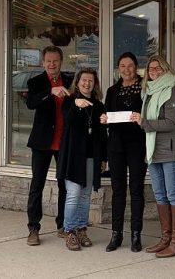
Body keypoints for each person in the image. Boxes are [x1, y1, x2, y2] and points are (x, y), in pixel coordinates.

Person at [131, 55, 175, 259]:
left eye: (158, 68)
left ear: (166, 70)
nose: (154, 72)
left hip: (171, 151)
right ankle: (165, 239)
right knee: (160, 195)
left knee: (173, 195)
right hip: (153, 151)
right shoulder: (148, 93)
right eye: (150, 69)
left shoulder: (174, 91)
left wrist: (144, 122)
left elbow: (171, 123)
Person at [25, 46, 72, 246]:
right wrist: (50, 92)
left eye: (56, 61)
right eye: (48, 61)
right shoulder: (35, 82)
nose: (52, 65)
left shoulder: (71, 80)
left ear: (61, 62)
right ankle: (33, 228)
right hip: (42, 142)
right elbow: (31, 103)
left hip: (64, 141)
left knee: (64, 185)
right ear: (43, 63)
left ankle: (62, 224)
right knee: (37, 185)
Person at [99, 52, 146, 253]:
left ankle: (136, 235)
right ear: (118, 68)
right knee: (118, 191)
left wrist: (141, 117)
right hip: (116, 146)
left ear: (136, 67)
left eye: (130, 66)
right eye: (122, 66)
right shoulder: (112, 90)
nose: (126, 69)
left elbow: (150, 114)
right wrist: (104, 119)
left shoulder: (145, 87)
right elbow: (106, 114)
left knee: (136, 190)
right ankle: (116, 234)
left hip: (137, 144)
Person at [57, 68, 107, 251]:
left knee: (86, 196)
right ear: (78, 83)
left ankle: (81, 229)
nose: (87, 83)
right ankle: (69, 231)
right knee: (73, 194)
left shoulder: (99, 105)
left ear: (95, 84)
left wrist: (103, 158)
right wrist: (77, 105)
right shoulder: (69, 101)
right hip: (73, 157)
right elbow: (68, 120)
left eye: (90, 81)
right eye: (84, 80)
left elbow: (102, 136)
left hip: (91, 156)